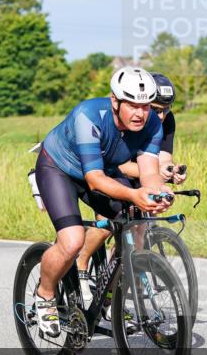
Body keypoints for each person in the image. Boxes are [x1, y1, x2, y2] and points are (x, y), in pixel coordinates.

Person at [32, 67, 172, 336]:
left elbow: (149, 174)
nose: (140, 113)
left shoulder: (152, 123)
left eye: (145, 106)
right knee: (72, 241)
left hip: (100, 171)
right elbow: (94, 180)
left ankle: (107, 299)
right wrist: (134, 194)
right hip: (58, 169)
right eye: (132, 105)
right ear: (115, 100)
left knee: (135, 223)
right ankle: (45, 294)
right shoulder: (89, 115)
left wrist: (158, 194)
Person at [75, 72, 187, 295]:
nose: (161, 115)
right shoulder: (127, 116)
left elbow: (163, 156)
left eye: (167, 109)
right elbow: (120, 165)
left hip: (144, 170)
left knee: (139, 224)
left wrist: (169, 171)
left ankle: (121, 277)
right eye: (155, 109)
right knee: (109, 221)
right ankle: (81, 261)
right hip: (113, 169)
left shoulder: (164, 120)